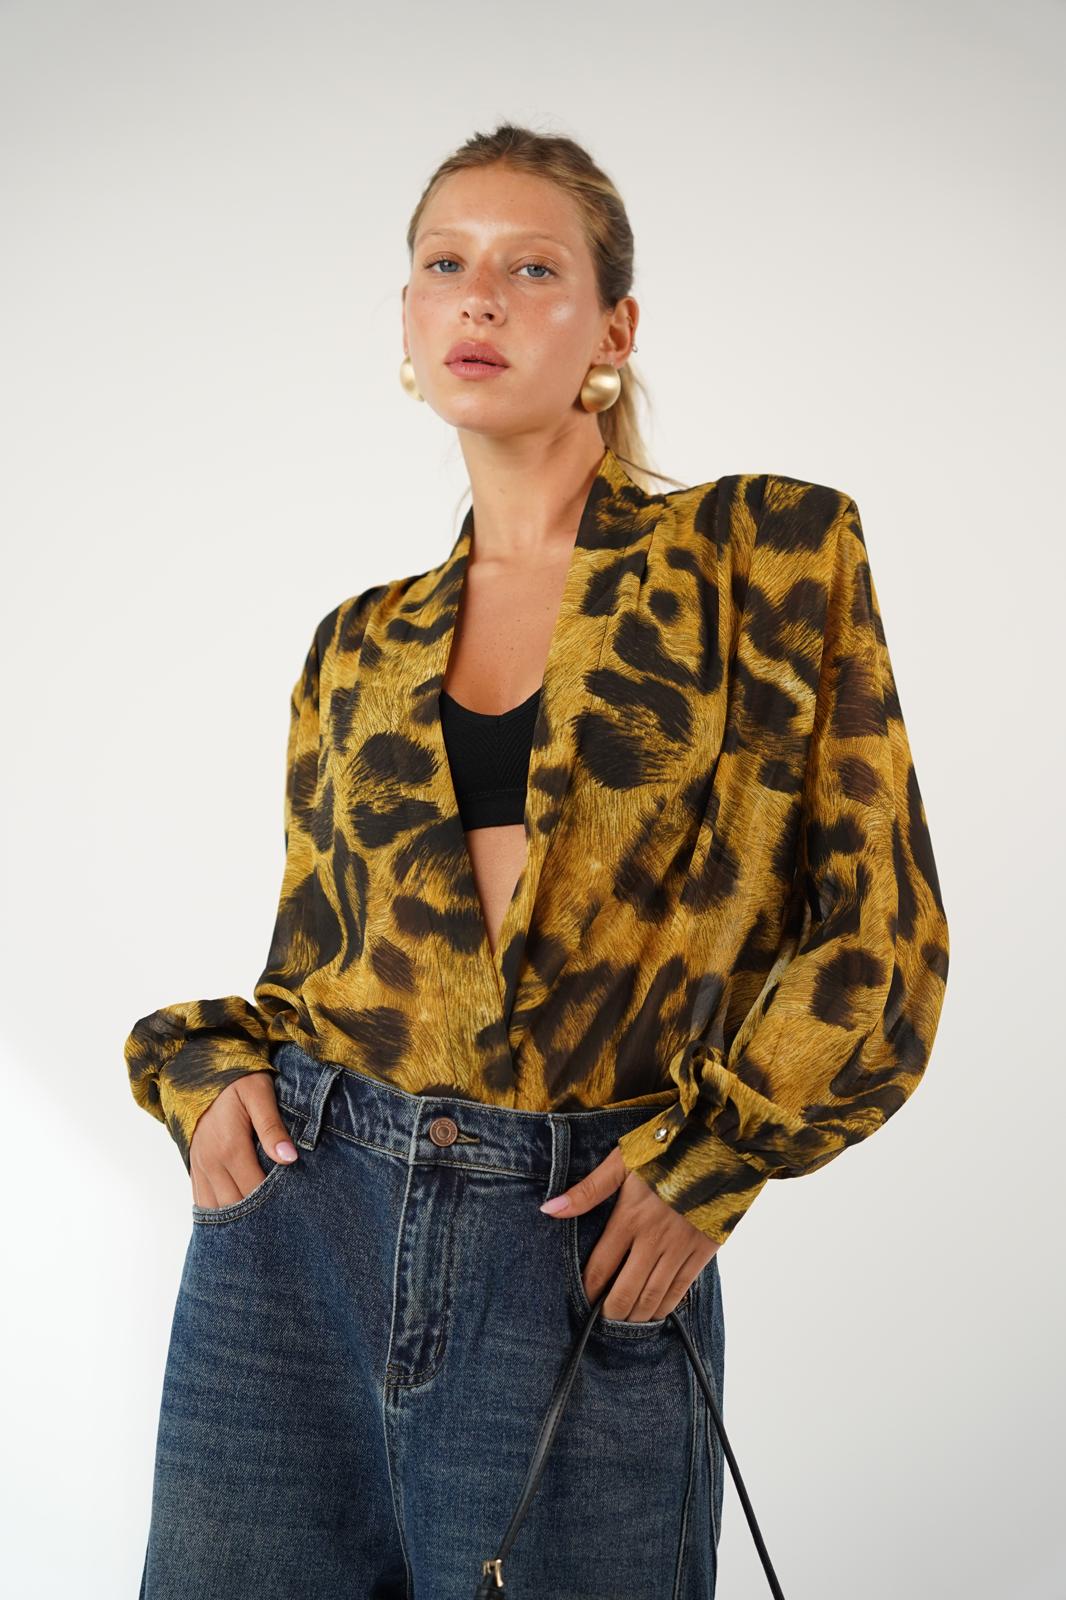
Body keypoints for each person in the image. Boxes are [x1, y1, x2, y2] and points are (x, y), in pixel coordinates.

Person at [126, 123, 950, 1600]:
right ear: (405, 321)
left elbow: (877, 935)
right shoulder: (356, 645)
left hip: (577, 1245)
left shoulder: (762, 554)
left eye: (532, 268)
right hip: (301, 1245)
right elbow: (314, 974)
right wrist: (202, 1078)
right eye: (444, 265)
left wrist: (715, 1159)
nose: (479, 297)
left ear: (613, 330)